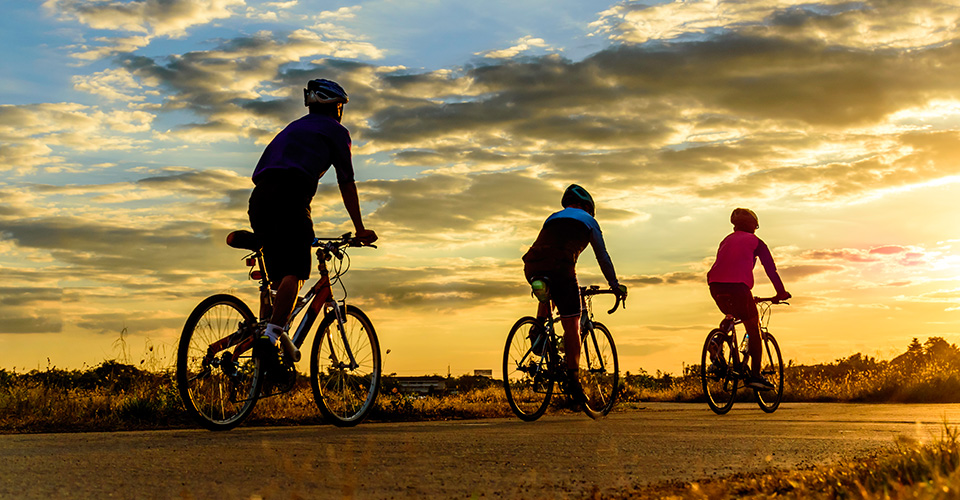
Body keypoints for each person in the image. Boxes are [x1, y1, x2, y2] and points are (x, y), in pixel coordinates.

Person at [246, 78, 377, 378]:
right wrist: (359, 228)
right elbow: (346, 181)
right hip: (290, 199)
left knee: (278, 278)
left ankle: (264, 355)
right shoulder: (336, 131)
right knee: (296, 272)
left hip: (259, 200)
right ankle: (270, 338)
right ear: (336, 107)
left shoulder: (293, 128)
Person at [522, 184, 627, 402]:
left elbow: (547, 247)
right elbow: (602, 256)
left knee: (550, 290)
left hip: (532, 265)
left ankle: (539, 328)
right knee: (572, 325)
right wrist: (614, 284)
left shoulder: (552, 217)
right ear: (587, 207)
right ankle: (573, 382)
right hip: (561, 266)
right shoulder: (589, 221)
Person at [706, 208, 790, 391]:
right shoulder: (757, 242)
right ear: (754, 226)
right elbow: (771, 270)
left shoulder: (726, 240)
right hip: (738, 287)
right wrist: (781, 292)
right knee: (754, 329)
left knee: (731, 314)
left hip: (715, 286)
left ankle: (717, 343)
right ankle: (755, 376)